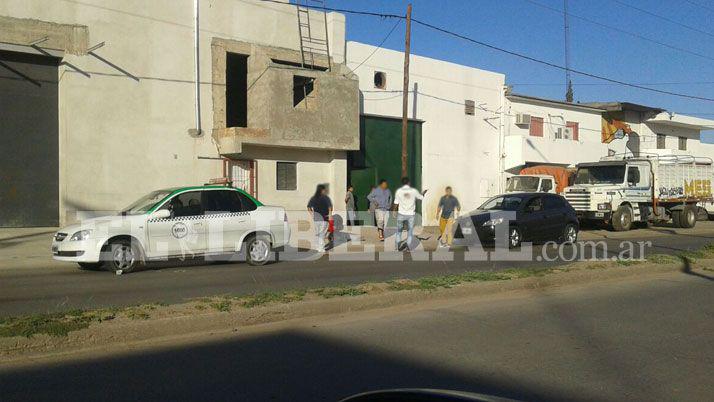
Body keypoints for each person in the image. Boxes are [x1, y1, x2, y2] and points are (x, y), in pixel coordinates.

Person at [393, 177, 427, 250]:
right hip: (410, 214)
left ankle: (398, 245)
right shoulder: (413, 191)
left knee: (399, 230)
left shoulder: (398, 191)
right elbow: (421, 197)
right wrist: (423, 193)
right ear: (409, 183)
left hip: (401, 213)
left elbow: (396, 203)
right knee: (410, 231)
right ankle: (408, 246)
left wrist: (394, 211)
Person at [307, 184, 332, 252]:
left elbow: (308, 207)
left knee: (318, 233)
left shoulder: (313, 198)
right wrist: (330, 216)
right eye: (324, 190)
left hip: (316, 219)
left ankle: (318, 247)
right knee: (322, 233)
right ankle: (321, 248)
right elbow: (330, 208)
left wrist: (312, 214)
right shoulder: (326, 198)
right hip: (324, 218)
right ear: (322, 190)